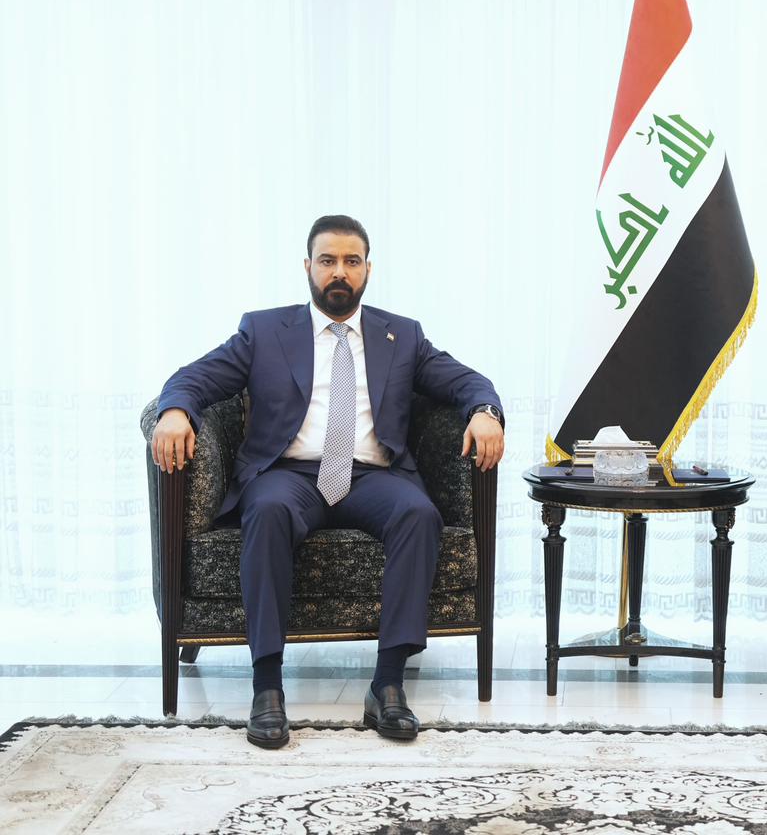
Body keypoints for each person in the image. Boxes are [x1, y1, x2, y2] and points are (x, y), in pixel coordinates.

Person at [151, 214, 504, 749]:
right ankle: (267, 686)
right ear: (308, 267)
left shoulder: (402, 335)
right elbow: (194, 377)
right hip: (289, 474)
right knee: (267, 511)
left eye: (351, 261)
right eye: (328, 260)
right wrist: (176, 410)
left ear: (367, 269)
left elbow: (466, 380)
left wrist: (484, 411)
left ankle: (387, 684)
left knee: (419, 514)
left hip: (371, 475)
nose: (340, 271)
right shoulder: (264, 331)